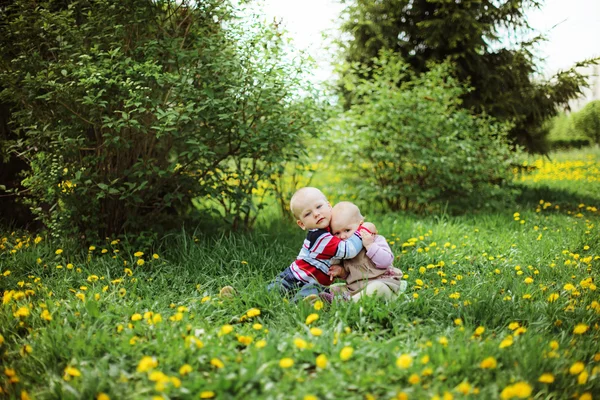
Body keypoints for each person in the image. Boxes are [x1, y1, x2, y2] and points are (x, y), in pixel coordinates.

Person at [267, 187, 369, 299]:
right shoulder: (319, 236)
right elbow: (349, 250)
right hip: (294, 278)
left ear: (329, 206)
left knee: (312, 294)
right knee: (272, 292)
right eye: (307, 214)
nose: (316, 214)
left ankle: (300, 305)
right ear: (302, 224)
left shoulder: (332, 230)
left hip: (316, 284)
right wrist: (362, 230)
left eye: (319, 207)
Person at [325, 201, 406, 302]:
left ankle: (348, 302)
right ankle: (322, 298)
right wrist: (341, 272)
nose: (342, 236)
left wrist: (370, 246)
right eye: (337, 233)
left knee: (377, 288)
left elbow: (386, 261)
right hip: (355, 289)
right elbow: (353, 273)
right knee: (335, 288)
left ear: (360, 226)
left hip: (383, 283)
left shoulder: (374, 239)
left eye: (347, 230)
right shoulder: (344, 250)